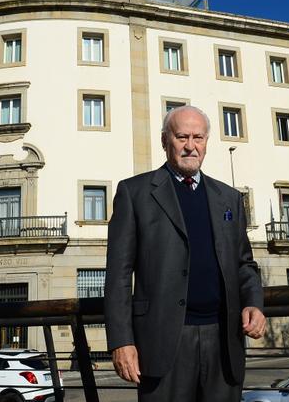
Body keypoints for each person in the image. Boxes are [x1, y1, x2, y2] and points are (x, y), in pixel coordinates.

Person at [105, 105, 266, 402]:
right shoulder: (134, 193)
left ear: (207, 142)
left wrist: (254, 302)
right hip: (163, 341)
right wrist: (121, 341)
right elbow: (118, 274)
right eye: (182, 137)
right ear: (165, 141)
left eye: (198, 138)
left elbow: (244, 263)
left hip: (224, 340)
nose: (191, 146)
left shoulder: (229, 197)